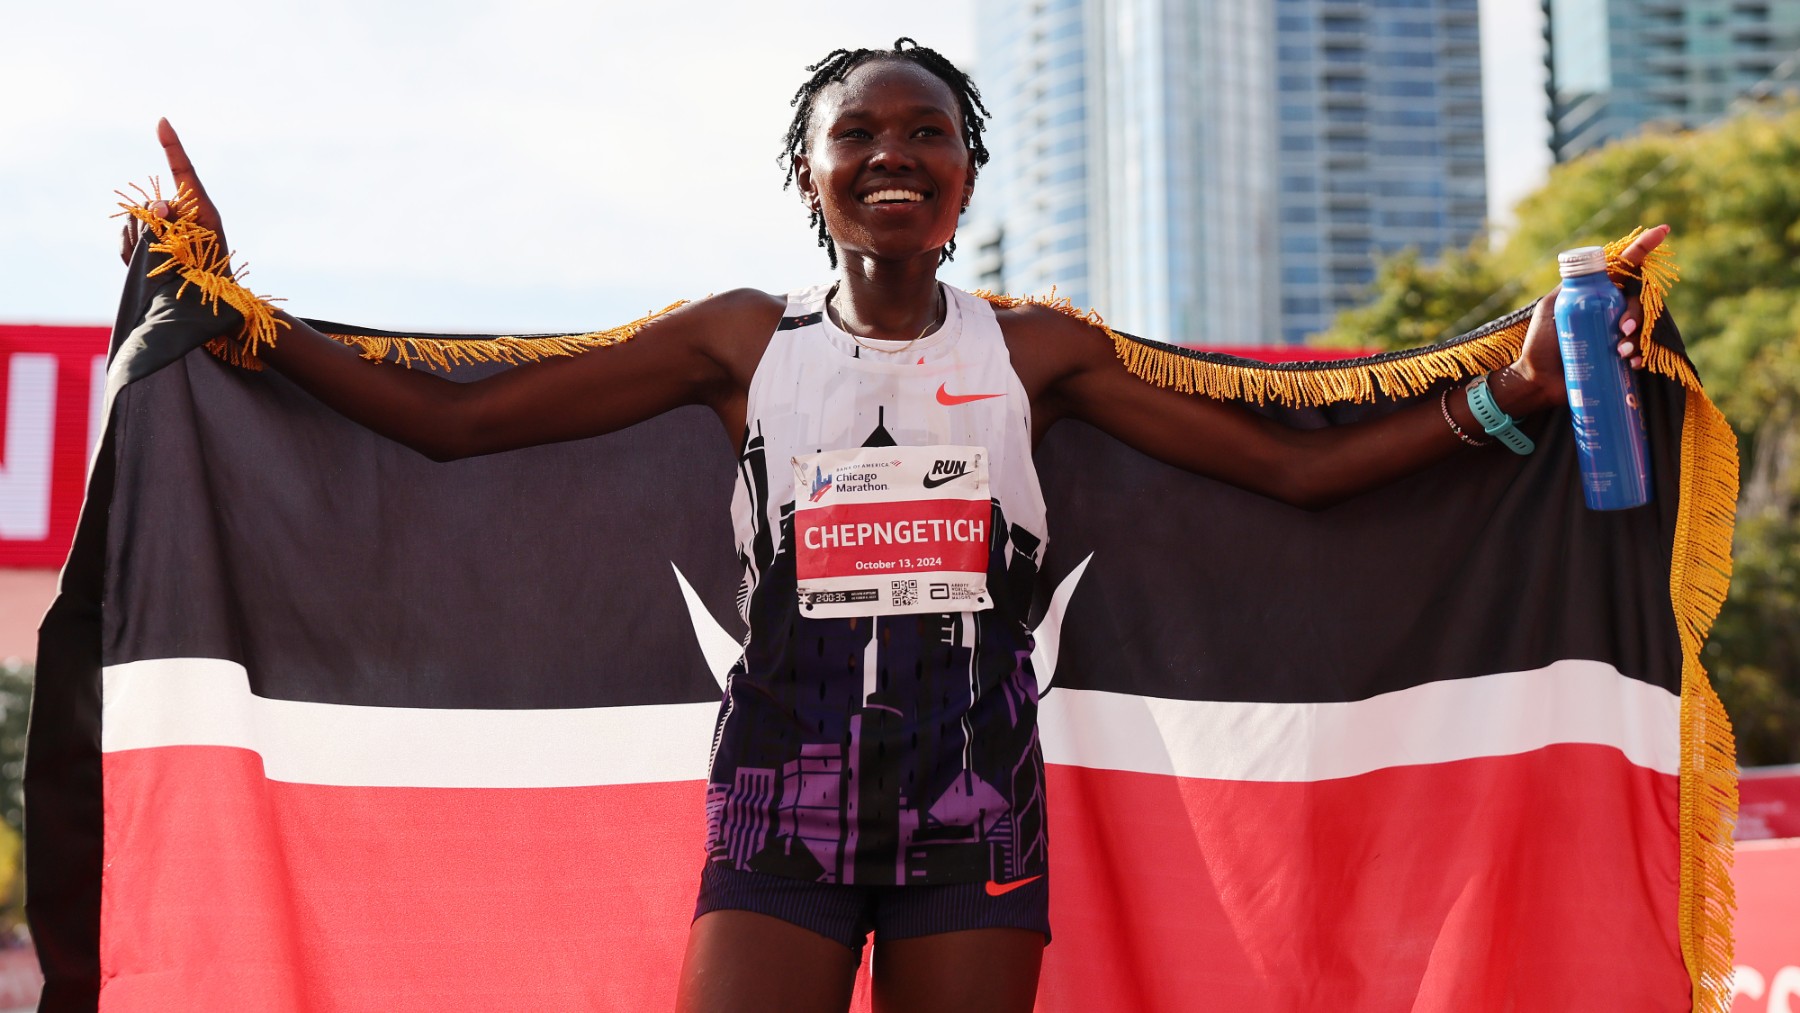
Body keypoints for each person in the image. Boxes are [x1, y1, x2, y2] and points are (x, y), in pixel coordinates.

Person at [136, 38, 1664, 1013]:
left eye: (925, 132)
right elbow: (461, 420)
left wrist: (1508, 392)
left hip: (973, 801)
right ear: (810, 176)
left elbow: (1290, 468)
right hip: (778, 798)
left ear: (964, 177)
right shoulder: (738, 342)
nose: (891, 151)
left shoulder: (1040, 351)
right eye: (856, 131)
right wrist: (244, 319)